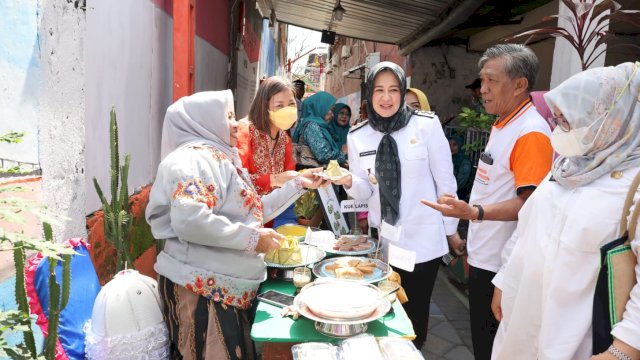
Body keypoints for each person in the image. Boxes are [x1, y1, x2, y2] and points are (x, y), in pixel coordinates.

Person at [145, 90, 326, 359]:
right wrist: (252, 239)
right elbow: (190, 220)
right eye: (227, 116)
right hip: (202, 291)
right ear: (202, 120)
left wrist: (299, 183)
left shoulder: (221, 159)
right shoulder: (192, 159)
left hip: (226, 289)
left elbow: (252, 212)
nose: (236, 124)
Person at [490, 62, 640, 360]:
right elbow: (526, 227)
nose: (559, 130)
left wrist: (625, 348)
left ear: (609, 120)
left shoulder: (632, 184)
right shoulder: (567, 166)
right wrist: (504, 280)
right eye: (557, 120)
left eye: (568, 121)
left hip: (576, 336)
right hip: (521, 319)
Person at [421, 44, 554, 360]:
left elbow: (531, 205)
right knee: (482, 342)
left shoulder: (531, 132)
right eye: (482, 81)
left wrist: (474, 212)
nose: (483, 90)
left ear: (520, 84)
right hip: (485, 257)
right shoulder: (503, 123)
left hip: (502, 267)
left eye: (491, 81)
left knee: (494, 348)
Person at [332, 61, 461, 349]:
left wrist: (450, 230)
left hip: (424, 240)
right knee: (385, 310)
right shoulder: (358, 135)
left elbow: (446, 183)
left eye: (393, 89)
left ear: (403, 92)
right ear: (369, 94)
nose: (386, 97)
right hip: (386, 244)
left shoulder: (426, 125)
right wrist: (348, 181)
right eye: (379, 90)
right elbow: (364, 191)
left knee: (414, 315)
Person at [237, 76, 299, 227]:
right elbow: (235, 181)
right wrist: (274, 179)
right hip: (240, 219)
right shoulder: (244, 132)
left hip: (269, 217)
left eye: (291, 104)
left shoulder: (285, 140)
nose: (287, 110)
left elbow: (286, 181)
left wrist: (305, 179)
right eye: (279, 105)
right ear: (264, 106)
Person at [292, 91, 346, 168]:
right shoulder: (312, 126)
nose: (333, 115)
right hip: (312, 173)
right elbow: (323, 155)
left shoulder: (320, 125)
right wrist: (343, 153)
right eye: (331, 109)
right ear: (320, 107)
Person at [448, 134, 473, 201]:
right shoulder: (449, 159)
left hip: (460, 194)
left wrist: (449, 189)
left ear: (460, 146)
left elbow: (462, 181)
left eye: (454, 145)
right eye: (449, 145)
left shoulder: (464, 161)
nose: (451, 148)